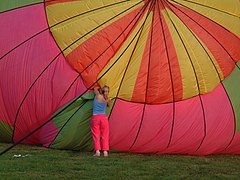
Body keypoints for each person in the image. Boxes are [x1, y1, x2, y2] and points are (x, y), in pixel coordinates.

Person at [90, 85, 110, 157]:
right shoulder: (107, 99)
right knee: (105, 135)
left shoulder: (98, 95)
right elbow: (108, 105)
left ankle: (97, 151)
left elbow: (95, 88)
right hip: (104, 118)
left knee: (96, 135)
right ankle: (105, 152)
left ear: (101, 90)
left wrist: (99, 87)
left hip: (95, 117)